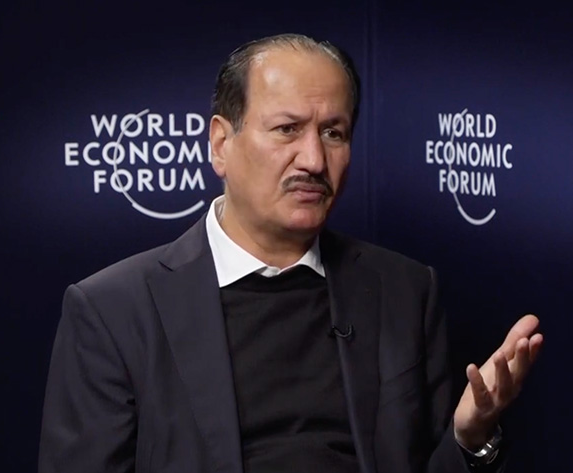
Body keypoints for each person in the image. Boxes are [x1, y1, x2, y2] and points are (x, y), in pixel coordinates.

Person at [38, 33, 543, 473]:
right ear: (220, 144)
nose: (314, 160)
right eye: (287, 129)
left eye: (333, 133)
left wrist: (470, 437)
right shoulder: (113, 311)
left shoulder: (406, 291)